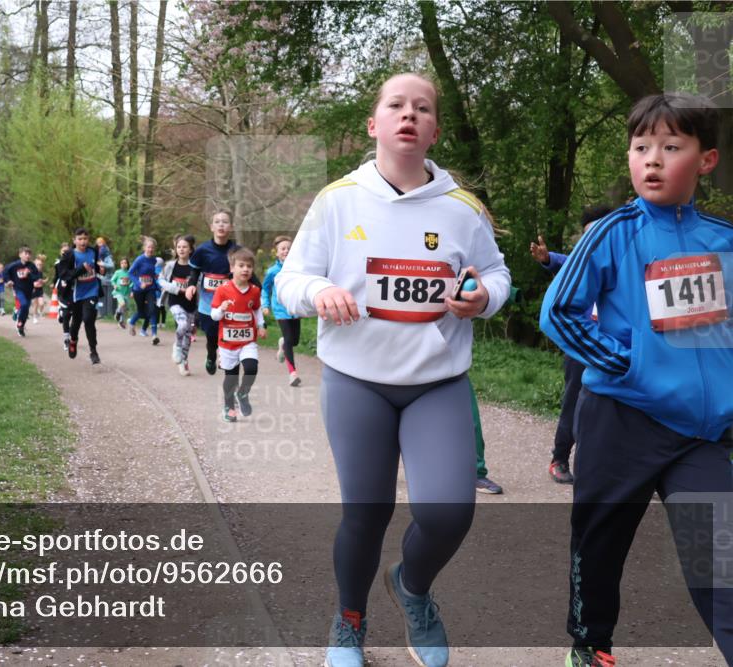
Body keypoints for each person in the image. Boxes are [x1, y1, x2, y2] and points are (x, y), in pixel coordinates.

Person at [276, 72, 511, 667]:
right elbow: (290, 279)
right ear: (374, 124)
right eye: (396, 105)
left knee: (449, 511)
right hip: (358, 381)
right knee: (366, 512)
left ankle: (411, 586)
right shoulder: (336, 200)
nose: (409, 114)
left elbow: (498, 273)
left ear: (433, 129)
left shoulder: (464, 209)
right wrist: (320, 290)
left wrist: (484, 296)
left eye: (423, 108)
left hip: (437, 383)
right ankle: (348, 621)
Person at [540, 93, 733, 667]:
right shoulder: (612, 232)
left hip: (698, 434)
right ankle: (590, 644)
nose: (652, 159)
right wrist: (626, 363)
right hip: (619, 422)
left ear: (706, 160)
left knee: (720, 561)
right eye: (641, 147)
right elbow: (560, 312)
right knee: (600, 547)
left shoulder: (724, 240)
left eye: (671, 147)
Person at [530, 204, 613, 484]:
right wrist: (547, 259)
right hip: (582, 346)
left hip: (614, 346)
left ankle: (611, 469)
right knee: (573, 403)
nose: (594, 241)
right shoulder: (581, 262)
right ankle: (560, 460)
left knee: (618, 409)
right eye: (589, 235)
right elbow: (565, 263)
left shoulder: (623, 262)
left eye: (600, 233)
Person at [185, 210, 244, 374]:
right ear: (212, 227)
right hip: (208, 304)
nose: (221, 225)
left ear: (231, 227)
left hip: (231, 303)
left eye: (225, 222)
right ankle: (211, 355)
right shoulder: (203, 250)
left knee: (227, 334)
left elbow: (247, 273)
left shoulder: (236, 250)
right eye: (217, 222)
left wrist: (257, 289)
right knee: (211, 337)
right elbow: (194, 271)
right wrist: (191, 285)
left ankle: (225, 359)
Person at [211, 248, 267, 420]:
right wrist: (222, 309)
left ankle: (243, 393)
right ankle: (228, 408)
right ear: (232, 268)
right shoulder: (222, 290)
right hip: (228, 342)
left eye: (249, 266)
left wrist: (261, 324)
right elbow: (214, 316)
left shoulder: (255, 291)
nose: (245, 269)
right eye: (241, 265)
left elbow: (256, 309)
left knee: (251, 367)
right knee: (231, 377)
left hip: (247, 340)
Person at [262, 235, 303, 386]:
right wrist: (265, 305)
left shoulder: (298, 269)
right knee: (289, 340)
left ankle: (282, 344)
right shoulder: (272, 271)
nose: (286, 251)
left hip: (295, 309)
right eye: (283, 248)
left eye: (289, 248)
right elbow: (265, 290)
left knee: (294, 341)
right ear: (277, 252)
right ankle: (293, 373)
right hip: (280, 310)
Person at [59, 229, 105, 364]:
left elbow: (96, 267)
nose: (83, 241)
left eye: (85, 238)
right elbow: (64, 274)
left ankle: (93, 351)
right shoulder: (70, 255)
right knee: (76, 322)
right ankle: (73, 341)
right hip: (76, 294)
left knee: (89, 319)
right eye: (80, 239)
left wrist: (101, 270)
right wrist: (81, 269)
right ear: (74, 241)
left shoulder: (93, 252)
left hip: (92, 290)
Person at [159, 235, 198, 376]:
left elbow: (201, 284)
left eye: (185, 247)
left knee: (188, 334)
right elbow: (161, 281)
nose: (181, 249)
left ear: (190, 250)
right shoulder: (170, 265)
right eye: (179, 247)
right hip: (175, 302)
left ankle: (184, 361)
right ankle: (176, 346)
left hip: (191, 304)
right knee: (182, 324)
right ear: (176, 249)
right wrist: (178, 289)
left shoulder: (195, 268)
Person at [128, 237, 161, 342]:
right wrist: (138, 283)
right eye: (148, 247)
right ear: (144, 248)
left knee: (152, 310)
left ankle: (154, 335)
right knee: (142, 312)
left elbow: (151, 273)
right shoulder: (139, 259)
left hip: (150, 289)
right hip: (138, 290)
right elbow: (130, 273)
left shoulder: (154, 260)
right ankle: (132, 322)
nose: (150, 249)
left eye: (152, 247)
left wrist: (155, 277)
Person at [3, 247, 41, 337]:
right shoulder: (14, 265)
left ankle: (21, 325)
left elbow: (37, 277)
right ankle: (19, 322)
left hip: (29, 290)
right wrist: (8, 281)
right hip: (18, 289)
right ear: (20, 255)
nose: (27, 255)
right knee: (23, 304)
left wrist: (29, 274)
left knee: (26, 309)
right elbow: (5, 272)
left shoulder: (31, 266)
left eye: (29, 254)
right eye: (25, 253)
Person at [111, 258, 132, 327]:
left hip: (126, 292)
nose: (123, 264)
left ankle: (121, 321)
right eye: (122, 263)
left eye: (125, 263)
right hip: (118, 292)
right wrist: (114, 285)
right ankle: (117, 313)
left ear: (127, 264)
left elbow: (132, 282)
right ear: (120, 264)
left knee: (124, 308)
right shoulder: (118, 272)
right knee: (122, 304)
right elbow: (112, 280)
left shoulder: (129, 273)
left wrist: (129, 285)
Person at [31, 255, 46, 324]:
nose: (39, 266)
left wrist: (43, 281)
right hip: (33, 289)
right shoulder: (31, 272)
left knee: (42, 303)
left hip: (40, 289)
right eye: (37, 265)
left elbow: (41, 281)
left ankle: (40, 312)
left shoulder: (40, 273)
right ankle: (34, 317)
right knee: (35, 304)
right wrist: (33, 284)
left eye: (40, 265)